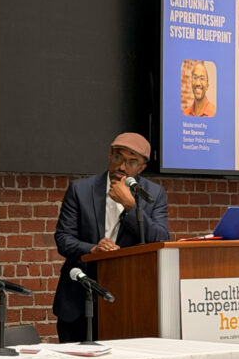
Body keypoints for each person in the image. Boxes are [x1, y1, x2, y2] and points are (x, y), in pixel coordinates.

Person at [53, 133, 169, 342]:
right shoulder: (81, 189)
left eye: (131, 162)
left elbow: (160, 239)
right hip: (79, 297)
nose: (122, 166)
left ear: (141, 168)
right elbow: (63, 238)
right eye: (118, 157)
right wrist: (93, 250)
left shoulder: (153, 194)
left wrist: (130, 205)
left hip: (127, 299)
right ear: (109, 155)